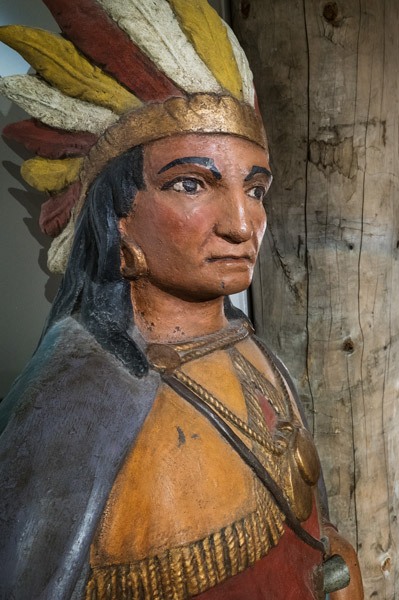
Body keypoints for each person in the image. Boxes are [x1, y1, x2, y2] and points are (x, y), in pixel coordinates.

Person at [0, 2, 362, 599]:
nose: (242, 225)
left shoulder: (253, 352)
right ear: (117, 216)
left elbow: (314, 536)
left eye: (255, 189)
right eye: (191, 184)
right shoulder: (77, 396)